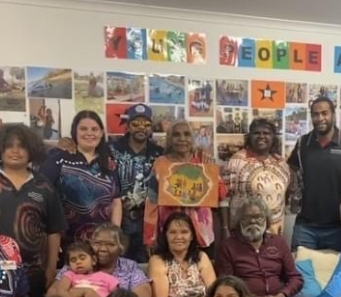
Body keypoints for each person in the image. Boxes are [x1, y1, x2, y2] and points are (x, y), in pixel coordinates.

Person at [0, 123, 66, 297]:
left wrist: (50, 269)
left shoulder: (44, 186)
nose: (15, 151)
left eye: (21, 146)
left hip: (32, 273)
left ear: (31, 151)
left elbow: (54, 231)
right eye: (9, 146)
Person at [215, 196, 310, 297]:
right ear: (238, 221)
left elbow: (296, 278)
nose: (253, 221)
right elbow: (227, 285)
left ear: (266, 219)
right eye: (247, 217)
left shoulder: (278, 242)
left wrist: (282, 296)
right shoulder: (228, 247)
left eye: (258, 217)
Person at [287, 97, 341, 251]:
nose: (320, 118)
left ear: (333, 115)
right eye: (315, 114)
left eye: (324, 113)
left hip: (339, 228)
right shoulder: (302, 143)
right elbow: (291, 172)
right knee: (301, 273)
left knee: (337, 274)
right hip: (305, 226)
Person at [40, 111, 122, 250]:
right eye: (83, 129)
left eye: (94, 129)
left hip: (101, 243)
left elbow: (116, 201)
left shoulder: (109, 162)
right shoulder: (59, 157)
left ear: (101, 133)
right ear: (74, 132)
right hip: (66, 241)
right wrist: (50, 236)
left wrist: (114, 234)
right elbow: (42, 196)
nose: (89, 133)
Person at [143, 120, 229, 252]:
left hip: (201, 233)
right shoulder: (161, 164)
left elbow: (221, 194)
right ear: (170, 139)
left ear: (193, 138)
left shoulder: (203, 160)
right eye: (176, 135)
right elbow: (152, 203)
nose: (182, 139)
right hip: (171, 234)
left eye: (187, 134)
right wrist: (149, 238)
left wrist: (209, 170)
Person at [47, 224, 153, 297]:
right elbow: (51, 294)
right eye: (97, 243)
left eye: (110, 244)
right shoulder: (76, 265)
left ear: (122, 248)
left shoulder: (130, 267)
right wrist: (84, 292)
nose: (102, 249)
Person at [111, 104, 164, 263]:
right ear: (127, 126)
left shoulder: (159, 153)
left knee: (145, 266)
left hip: (147, 221)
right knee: (117, 265)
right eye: (136, 124)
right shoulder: (111, 149)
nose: (142, 128)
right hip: (119, 219)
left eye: (147, 124)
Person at [223, 117, 290, 235]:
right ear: (250, 136)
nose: (261, 136)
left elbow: (284, 196)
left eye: (266, 133)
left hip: (275, 231)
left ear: (273, 137)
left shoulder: (281, 163)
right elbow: (225, 198)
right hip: (245, 232)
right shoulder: (236, 161)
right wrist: (225, 228)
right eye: (257, 133)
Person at [148, 212, 216, 297]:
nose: (178, 237)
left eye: (184, 232)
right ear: (166, 235)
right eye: (173, 232)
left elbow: (214, 292)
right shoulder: (157, 260)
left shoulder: (201, 257)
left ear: (192, 235)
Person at [55, 242, 119, 297]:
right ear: (69, 266)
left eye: (82, 257)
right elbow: (61, 292)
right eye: (73, 260)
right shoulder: (70, 275)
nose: (78, 262)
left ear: (93, 260)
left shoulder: (106, 277)